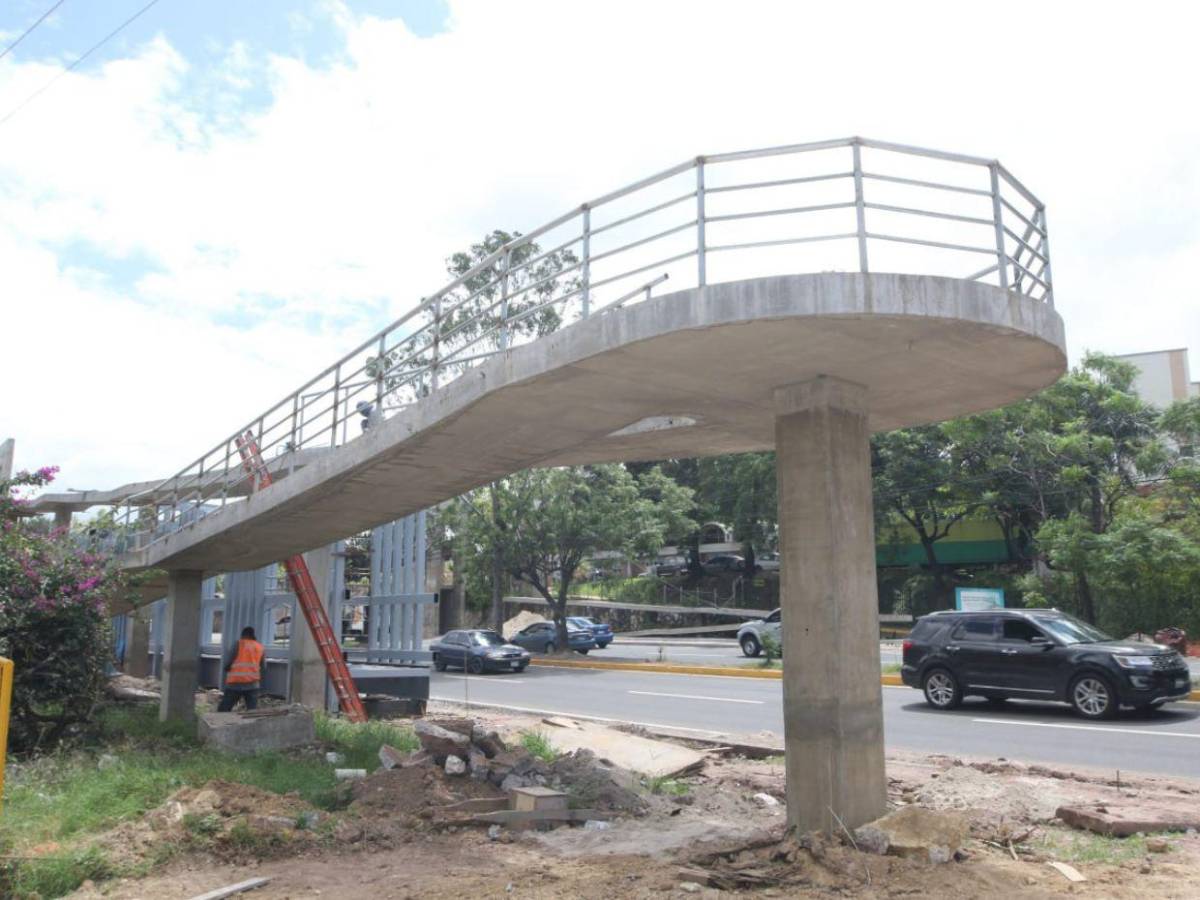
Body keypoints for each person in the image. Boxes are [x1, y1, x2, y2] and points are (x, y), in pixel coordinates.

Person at [218, 626, 266, 712]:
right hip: (253, 685)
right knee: (252, 711)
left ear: (243, 634)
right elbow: (263, 667)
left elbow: (228, 662)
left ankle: (220, 725)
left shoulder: (238, 644)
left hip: (235, 684)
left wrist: (226, 668)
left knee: (224, 710)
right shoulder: (260, 647)